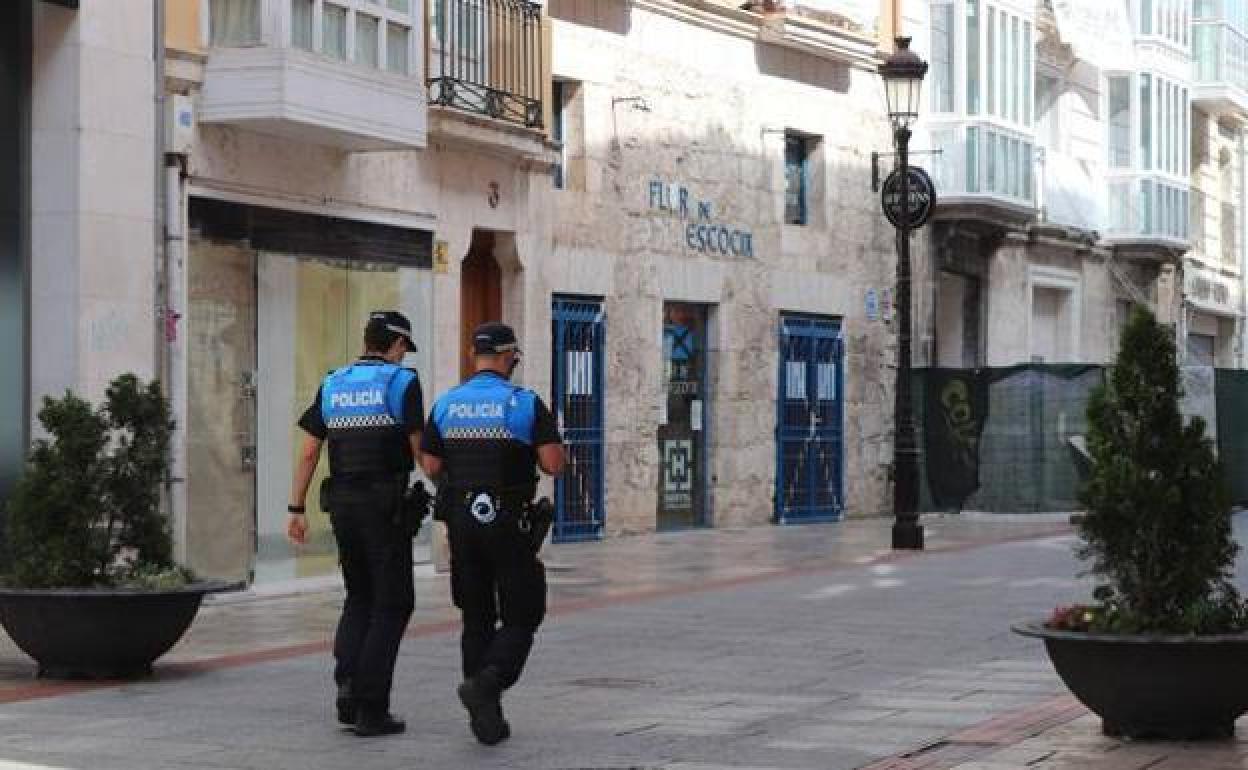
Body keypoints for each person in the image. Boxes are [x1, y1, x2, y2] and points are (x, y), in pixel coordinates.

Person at [420, 322, 564, 746]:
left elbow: (429, 466)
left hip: (462, 524)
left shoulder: (447, 403)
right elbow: (553, 464)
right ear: (509, 357)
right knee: (523, 612)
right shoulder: (523, 403)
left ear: (473, 356)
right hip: (509, 521)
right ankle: (489, 683)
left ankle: (486, 714)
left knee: (476, 617)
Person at [286, 310, 424, 737]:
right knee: (393, 602)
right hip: (384, 504)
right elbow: (420, 451)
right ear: (397, 344)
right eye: (404, 349)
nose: (404, 358)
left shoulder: (333, 383)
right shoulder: (402, 383)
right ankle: (371, 705)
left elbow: (310, 451)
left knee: (359, 595)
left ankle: (347, 685)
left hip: (342, 504)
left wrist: (295, 509)